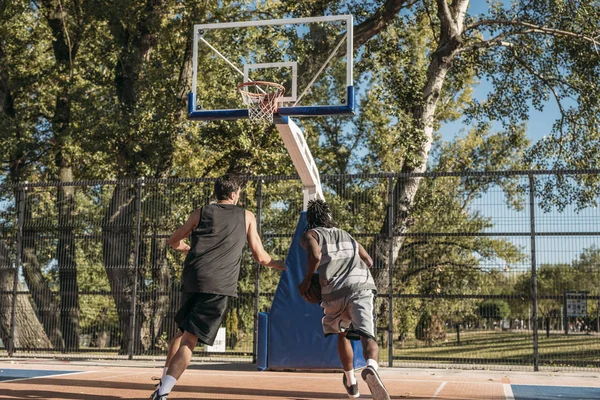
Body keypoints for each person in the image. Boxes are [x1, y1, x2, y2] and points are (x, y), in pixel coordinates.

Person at [151, 174, 286, 400]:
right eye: (239, 194)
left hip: (192, 279)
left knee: (182, 331)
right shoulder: (247, 216)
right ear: (233, 195)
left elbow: (173, 240)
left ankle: (165, 377)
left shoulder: (201, 212)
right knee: (189, 340)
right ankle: (162, 394)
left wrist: (184, 247)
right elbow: (260, 257)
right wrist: (281, 265)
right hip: (218, 285)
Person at [298, 199, 390, 400]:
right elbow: (369, 260)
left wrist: (306, 281)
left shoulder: (310, 234)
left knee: (342, 334)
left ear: (310, 220)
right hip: (360, 287)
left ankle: (351, 382)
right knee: (368, 335)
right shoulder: (346, 235)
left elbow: (315, 255)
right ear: (329, 218)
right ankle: (371, 368)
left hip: (333, 292)